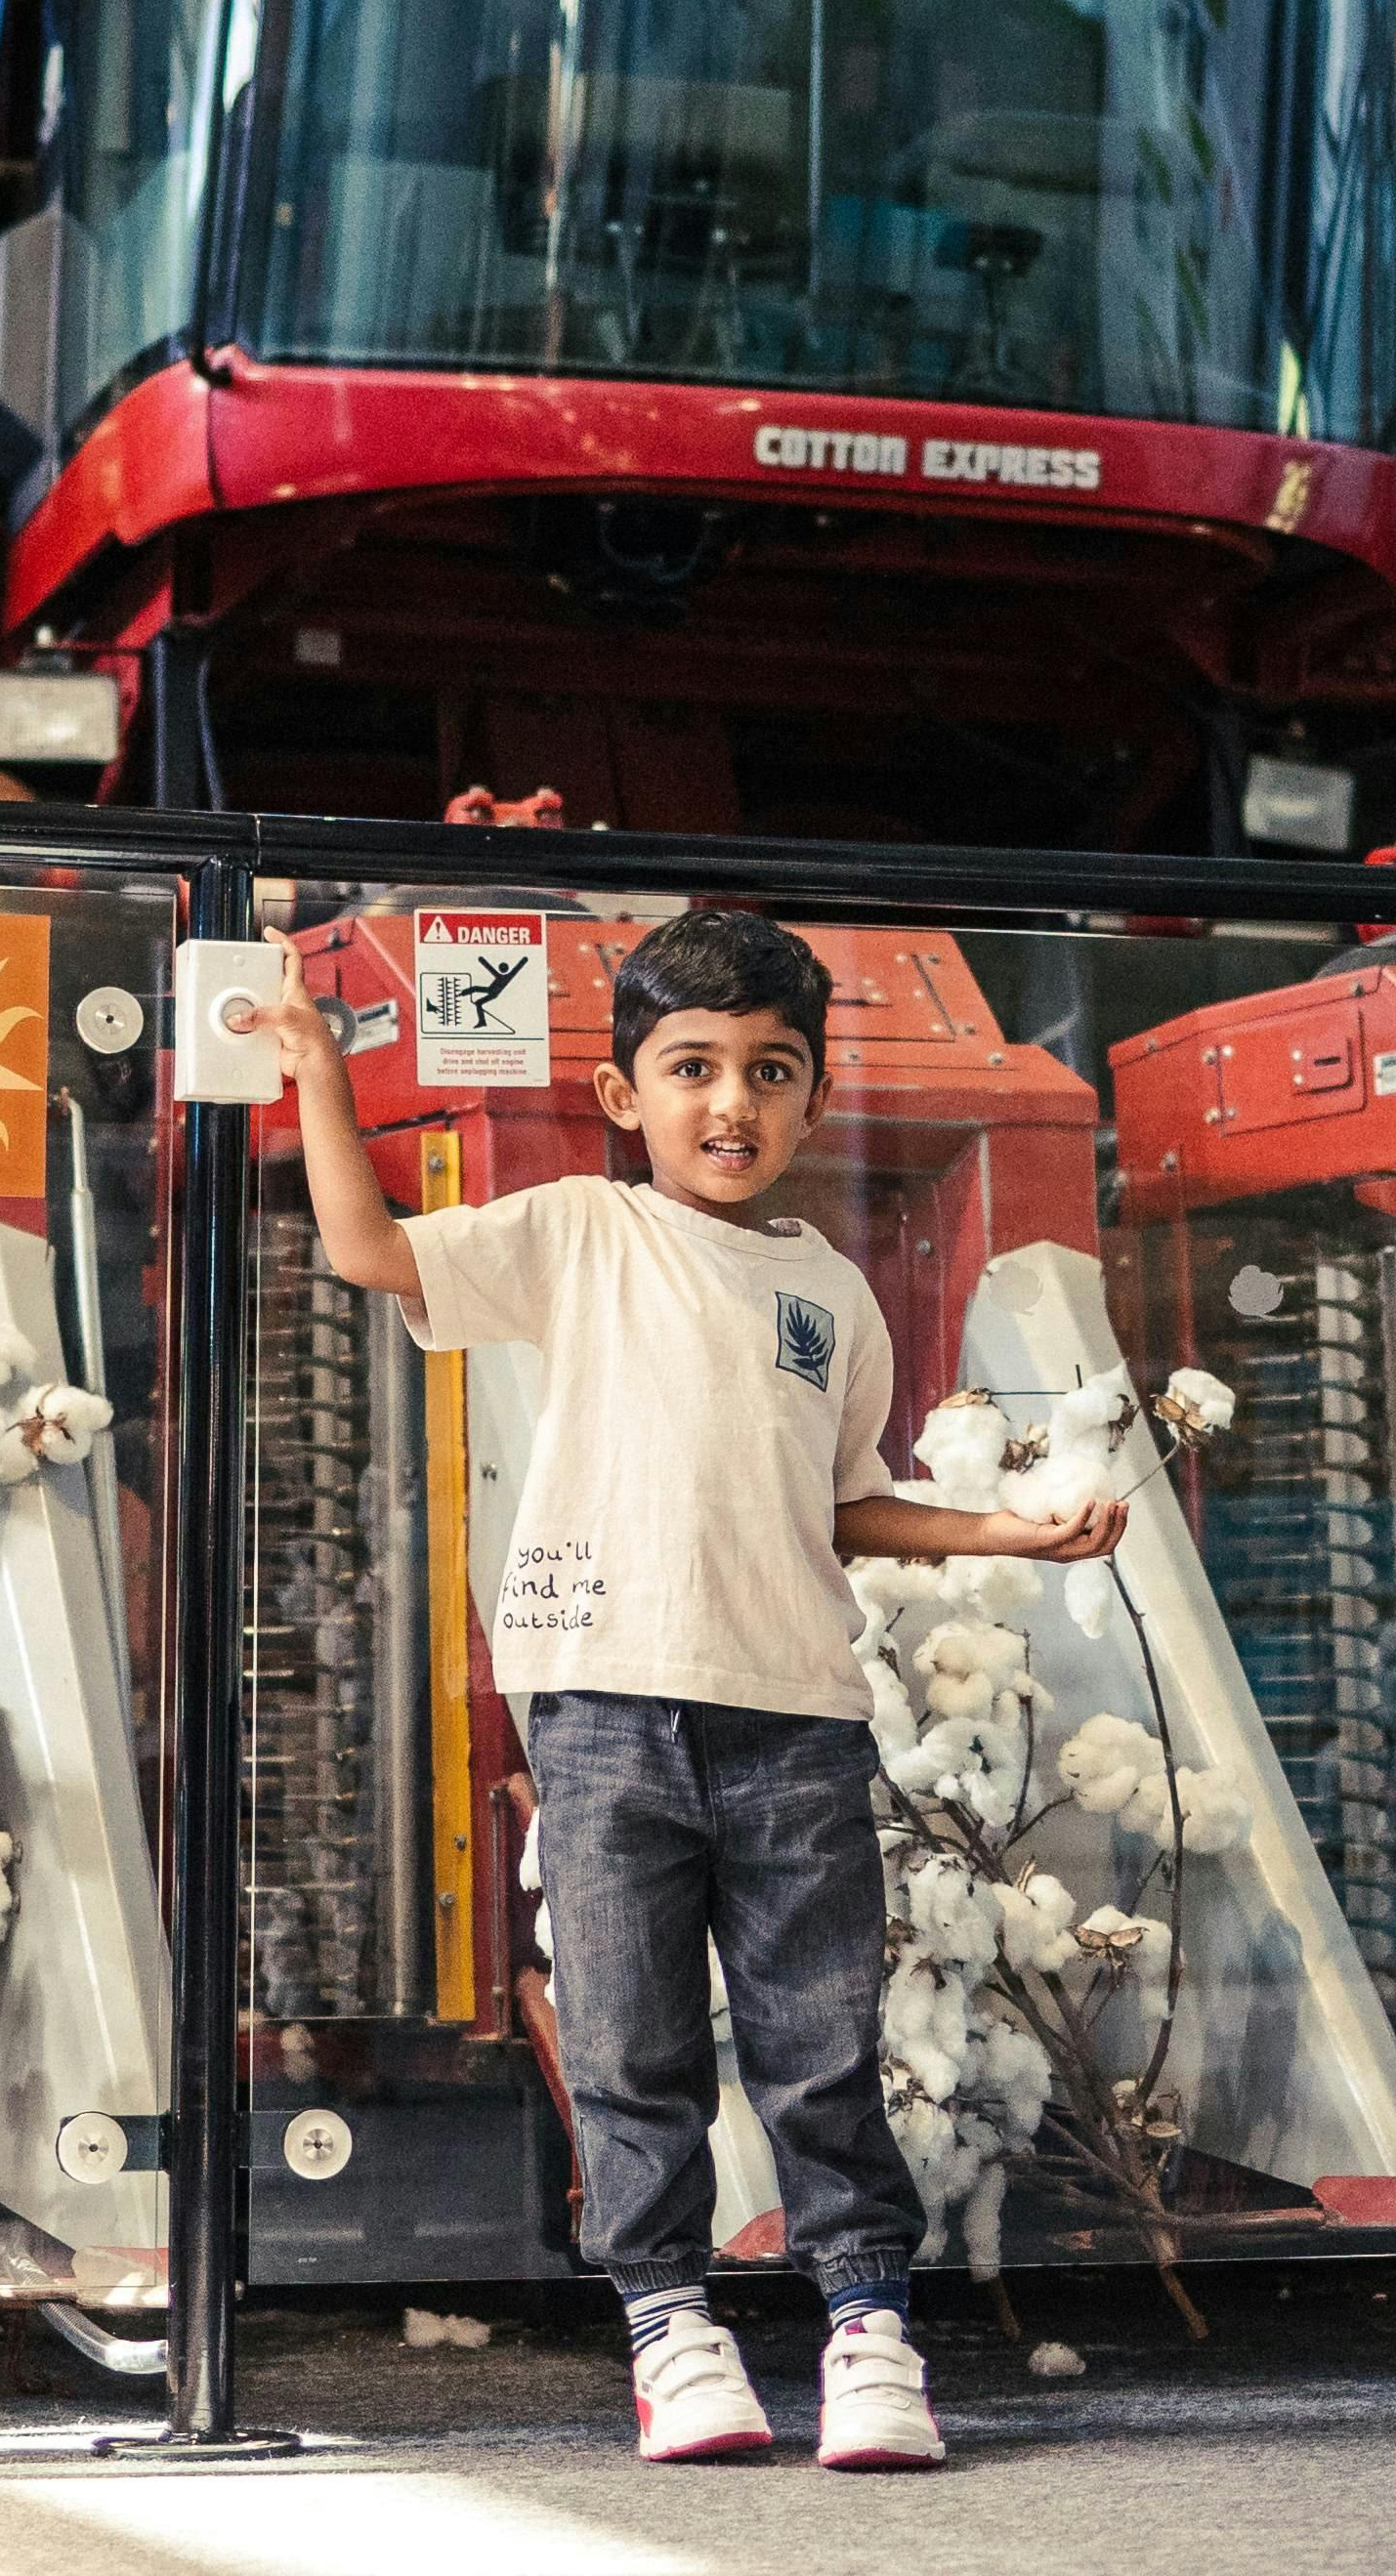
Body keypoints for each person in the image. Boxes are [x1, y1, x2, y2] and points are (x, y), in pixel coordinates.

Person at [262, 906, 1123, 2476]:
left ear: (813, 1097)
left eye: (770, 1071)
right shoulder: (582, 1232)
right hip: (599, 1708)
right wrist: (321, 1069)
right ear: (623, 1094)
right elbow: (367, 1250)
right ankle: (672, 2327)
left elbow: (847, 1503)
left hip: (796, 1715)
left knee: (820, 2041)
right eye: (693, 1067)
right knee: (631, 2045)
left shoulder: (837, 1300)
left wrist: (1004, 1526)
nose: (731, 1103)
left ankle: (867, 2328)